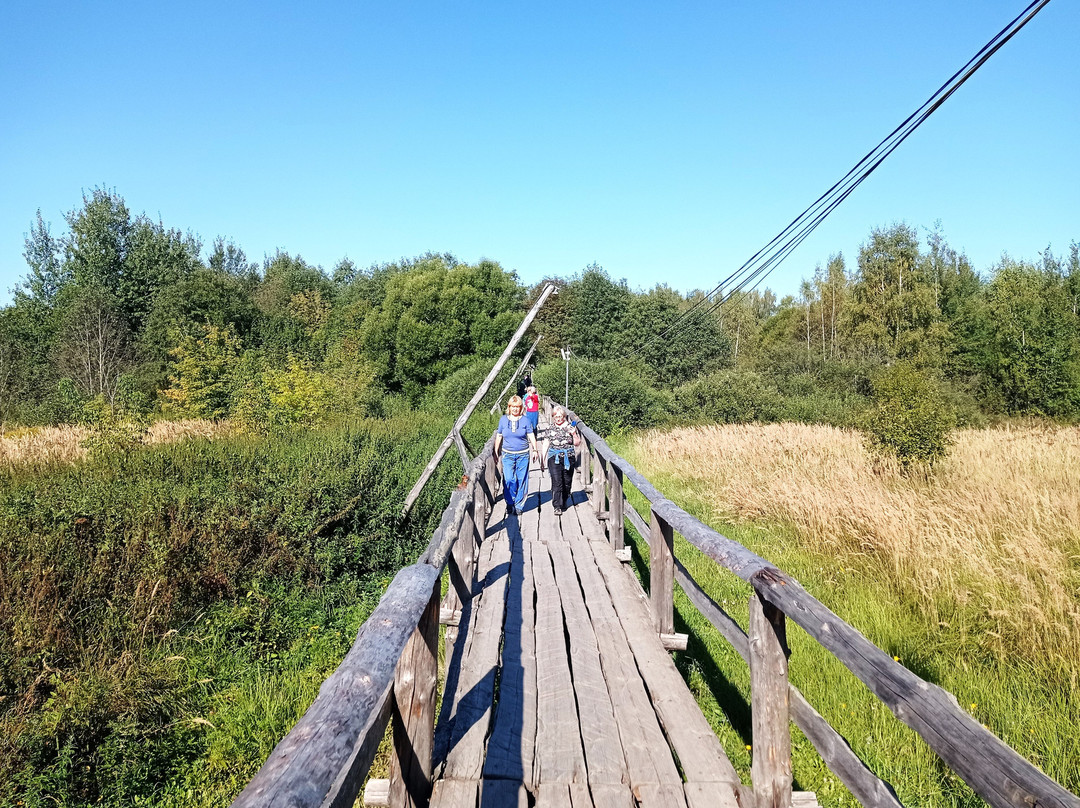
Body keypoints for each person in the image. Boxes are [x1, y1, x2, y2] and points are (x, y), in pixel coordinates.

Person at [494, 395, 538, 515]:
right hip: (507, 454)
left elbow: (531, 435)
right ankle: (509, 501)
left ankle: (519, 505)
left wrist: (535, 450)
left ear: (521, 407)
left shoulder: (526, 420)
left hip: (523, 455)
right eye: (513, 407)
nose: (515, 409)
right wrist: (495, 451)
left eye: (517, 407)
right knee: (509, 479)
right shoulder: (503, 420)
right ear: (509, 407)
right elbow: (499, 436)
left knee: (521, 479)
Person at [540, 405, 579, 515]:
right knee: (557, 481)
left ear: (564, 416)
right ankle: (557, 505)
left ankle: (565, 500)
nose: (558, 418)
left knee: (567, 481)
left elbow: (577, 443)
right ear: (553, 417)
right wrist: (542, 459)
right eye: (556, 416)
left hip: (568, 457)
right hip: (554, 457)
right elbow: (546, 443)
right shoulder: (550, 428)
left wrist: (574, 434)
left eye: (560, 416)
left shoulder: (570, 427)